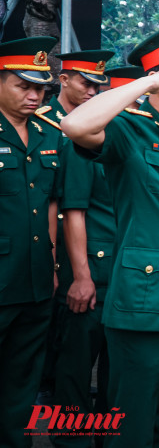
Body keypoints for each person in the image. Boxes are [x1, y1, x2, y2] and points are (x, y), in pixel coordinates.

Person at [61, 19, 159, 448]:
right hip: (145, 305)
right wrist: (149, 83)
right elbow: (75, 127)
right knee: (130, 422)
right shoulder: (130, 130)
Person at [49, 52, 119, 448]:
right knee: (75, 366)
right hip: (89, 270)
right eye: (87, 84)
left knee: (116, 368)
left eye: (99, 87)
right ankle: (70, 440)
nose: (94, 92)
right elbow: (73, 210)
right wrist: (80, 276)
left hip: (122, 275)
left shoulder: (112, 133)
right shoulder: (81, 143)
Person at [0, 37, 62, 448]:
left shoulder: (48, 132)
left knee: (23, 373)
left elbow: (53, 203)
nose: (34, 94)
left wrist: (54, 267)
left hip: (36, 276)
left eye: (40, 87)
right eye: (24, 85)